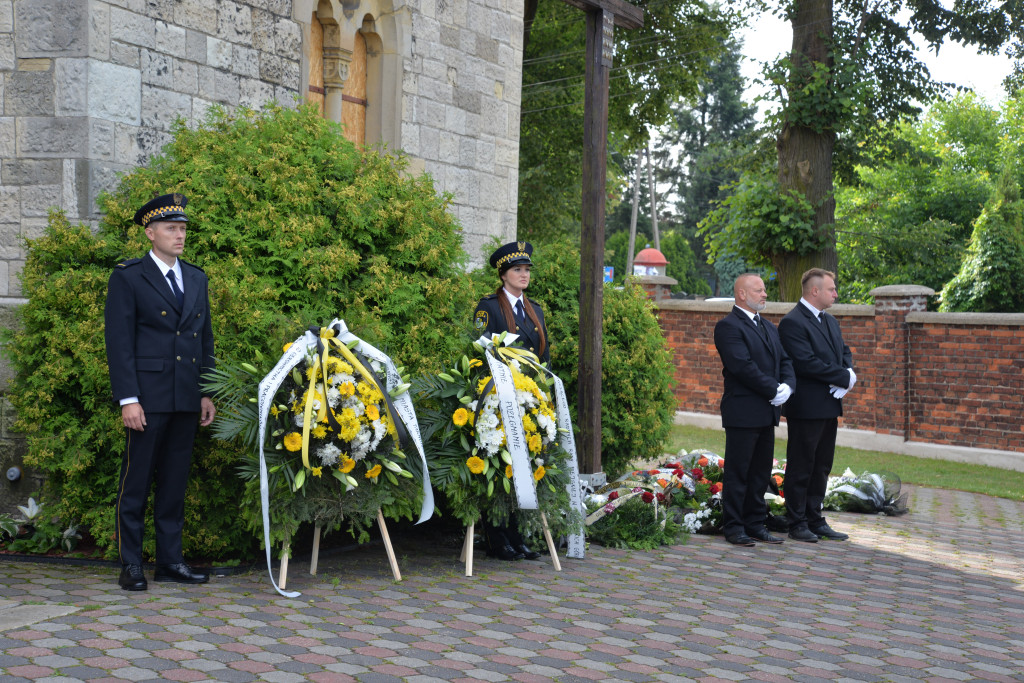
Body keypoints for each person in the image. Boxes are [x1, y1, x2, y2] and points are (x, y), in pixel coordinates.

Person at [104, 193, 217, 590]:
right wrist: (128, 399)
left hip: (186, 397)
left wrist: (206, 392)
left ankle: (170, 562)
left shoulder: (197, 277)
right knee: (135, 484)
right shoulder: (129, 277)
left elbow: (205, 340)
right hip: (147, 399)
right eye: (171, 228)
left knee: (173, 484)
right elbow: (119, 343)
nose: (179, 235)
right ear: (150, 233)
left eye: (183, 229)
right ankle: (131, 564)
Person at [472, 240, 549, 560]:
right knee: (500, 464)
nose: (524, 275)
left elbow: (543, 358)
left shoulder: (536, 311)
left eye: (527, 269)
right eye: (518, 269)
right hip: (499, 398)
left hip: (528, 400)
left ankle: (517, 534)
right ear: (503, 274)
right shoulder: (488, 307)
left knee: (526, 464)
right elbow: (478, 352)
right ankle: (495, 536)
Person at [713, 273, 795, 547]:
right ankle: (734, 526)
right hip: (743, 411)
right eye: (758, 290)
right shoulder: (728, 327)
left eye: (764, 290)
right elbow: (742, 366)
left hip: (767, 411)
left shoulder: (770, 327)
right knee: (739, 472)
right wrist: (774, 389)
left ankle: (755, 523)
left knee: (760, 472)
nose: (764, 294)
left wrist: (788, 387)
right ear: (742, 295)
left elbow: (785, 360)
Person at [777, 268, 856, 543]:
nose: (835, 293)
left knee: (822, 465)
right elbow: (805, 362)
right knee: (802, 465)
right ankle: (796, 521)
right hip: (806, 406)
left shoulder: (830, 321)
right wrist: (843, 376)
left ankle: (815, 517)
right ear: (815, 291)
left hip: (829, 405)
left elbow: (843, 351)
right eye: (831, 289)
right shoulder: (793, 322)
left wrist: (849, 372)